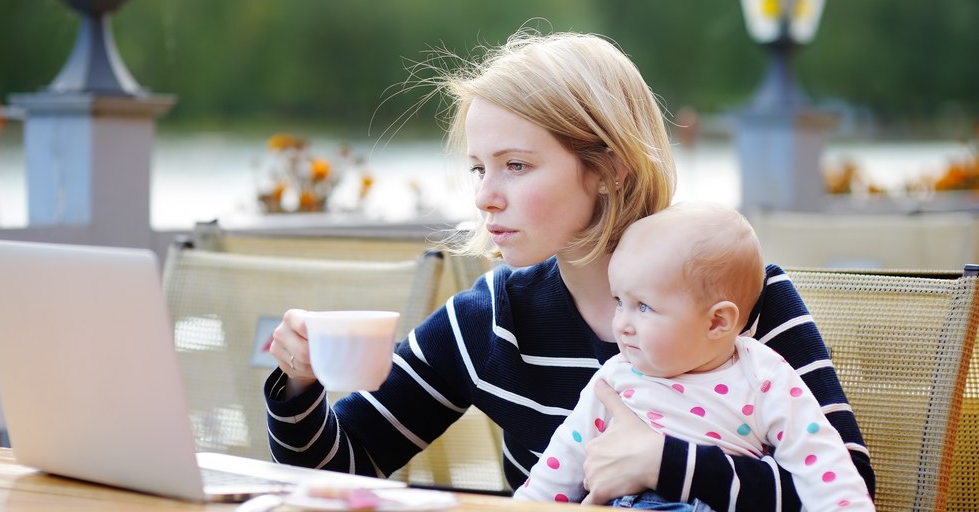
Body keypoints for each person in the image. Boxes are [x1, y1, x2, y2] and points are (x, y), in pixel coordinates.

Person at [264, 29, 874, 509]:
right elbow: (338, 471)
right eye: (480, 167)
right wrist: (299, 383)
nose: (485, 196)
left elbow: (847, 492)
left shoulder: (741, 300)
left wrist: (664, 463)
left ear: (608, 167)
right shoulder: (491, 320)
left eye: (517, 166)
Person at [514, 202, 874, 510]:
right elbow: (559, 467)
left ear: (717, 321)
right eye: (619, 302)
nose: (621, 324)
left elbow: (824, 467)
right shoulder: (616, 378)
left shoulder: (762, 375)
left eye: (643, 307)